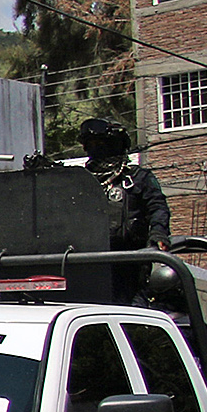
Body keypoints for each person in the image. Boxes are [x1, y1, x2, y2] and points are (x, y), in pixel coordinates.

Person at [81, 117, 171, 305]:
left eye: (101, 143)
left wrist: (158, 234)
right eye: (91, 144)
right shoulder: (80, 181)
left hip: (130, 262)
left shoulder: (138, 178)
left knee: (132, 310)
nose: (96, 149)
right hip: (88, 263)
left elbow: (158, 207)